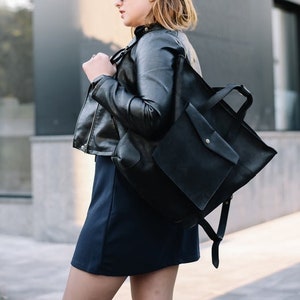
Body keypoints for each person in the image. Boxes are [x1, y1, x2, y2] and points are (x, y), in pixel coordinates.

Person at [63, 0, 201, 299]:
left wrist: (102, 80)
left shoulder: (155, 41)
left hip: (126, 197)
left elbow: (153, 116)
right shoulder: (177, 41)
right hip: (165, 195)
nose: (117, 1)